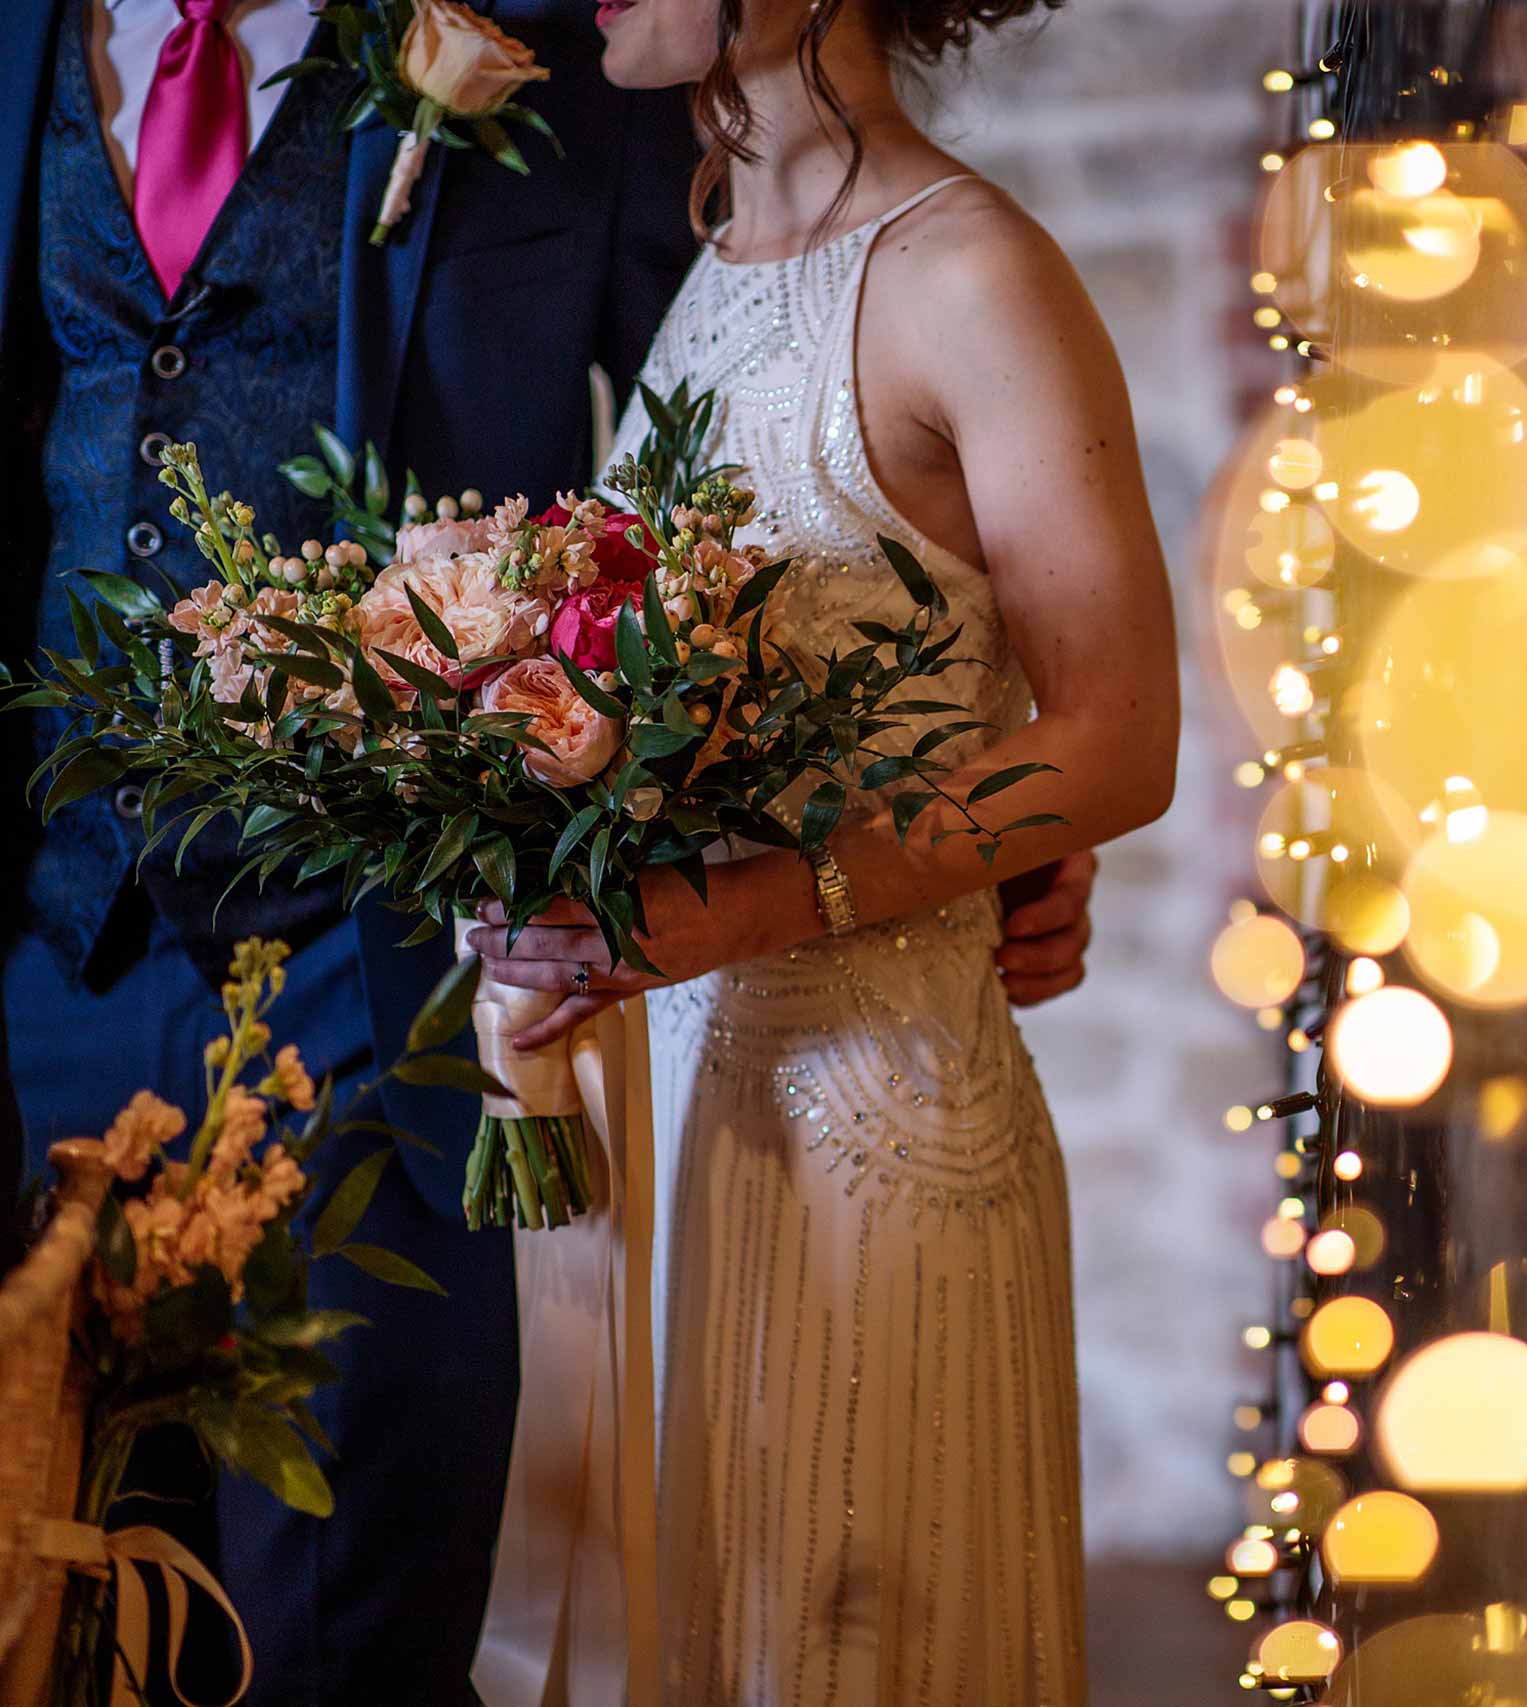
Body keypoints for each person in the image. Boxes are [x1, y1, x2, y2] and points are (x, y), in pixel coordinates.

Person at [0, 2, 1097, 1699]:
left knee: (350, 1640)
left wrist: (999, 816)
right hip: (55, 964)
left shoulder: (601, 74)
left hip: (414, 1000)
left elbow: (804, 543)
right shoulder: (16, 46)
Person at [467, 0, 1180, 1698]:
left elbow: (1113, 737)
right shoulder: (721, 259)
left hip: (879, 1123)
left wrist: (748, 910)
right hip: (695, 1115)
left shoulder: (973, 273)